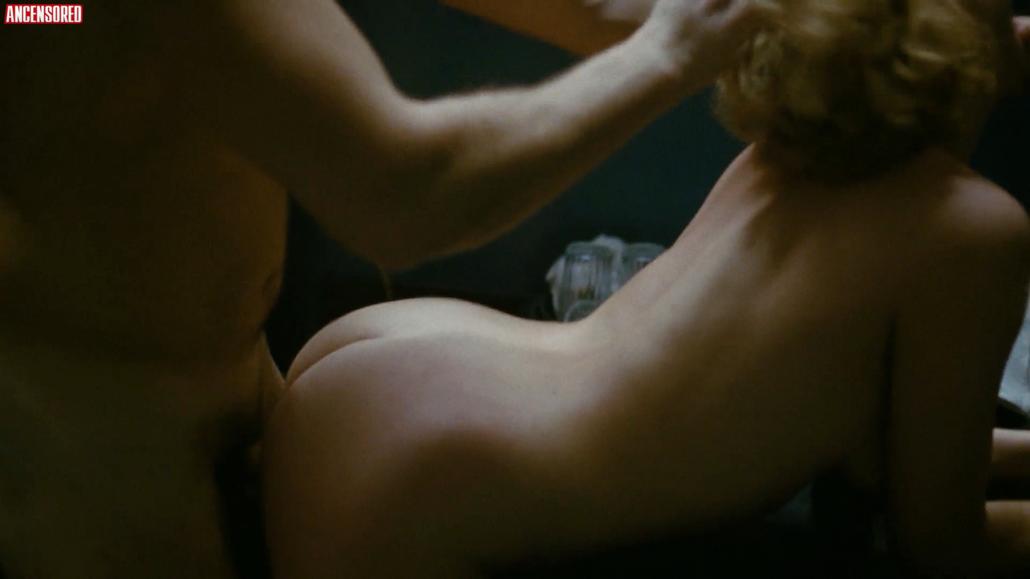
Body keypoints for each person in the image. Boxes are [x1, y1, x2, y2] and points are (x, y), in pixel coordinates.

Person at [264, 1, 1030, 577]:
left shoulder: (789, 154)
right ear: (962, 54)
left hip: (389, 387)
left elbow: (894, 440)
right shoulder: (973, 228)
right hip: (416, 489)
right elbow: (940, 540)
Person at [0, 0, 763, 577]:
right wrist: (670, 52)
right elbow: (407, 194)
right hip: (96, 485)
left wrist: (743, 21)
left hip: (232, 409)